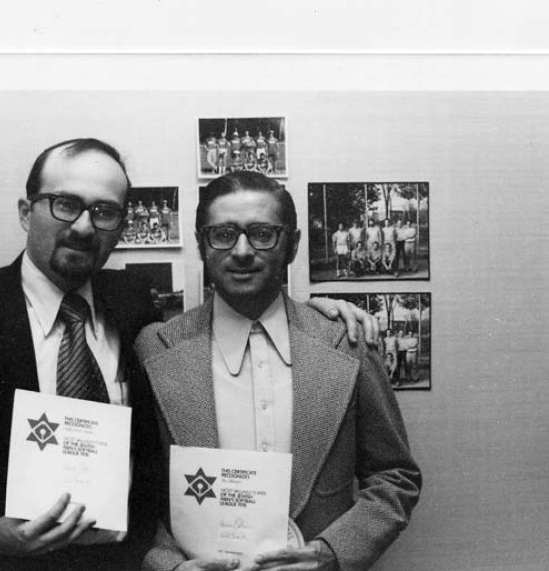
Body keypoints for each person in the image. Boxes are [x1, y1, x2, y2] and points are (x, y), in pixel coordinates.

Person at [0, 139, 375, 571]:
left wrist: (308, 315)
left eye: (104, 211)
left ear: (121, 226)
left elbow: (233, 317)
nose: (84, 226)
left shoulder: (131, 307)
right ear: (26, 212)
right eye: (65, 203)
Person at [135, 171, 421, 571]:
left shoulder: (348, 343)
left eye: (262, 234)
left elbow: (395, 475)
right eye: (223, 234)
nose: (242, 251)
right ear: (201, 244)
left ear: (292, 245)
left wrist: (333, 552)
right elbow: (139, 491)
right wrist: (168, 565)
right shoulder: (155, 348)